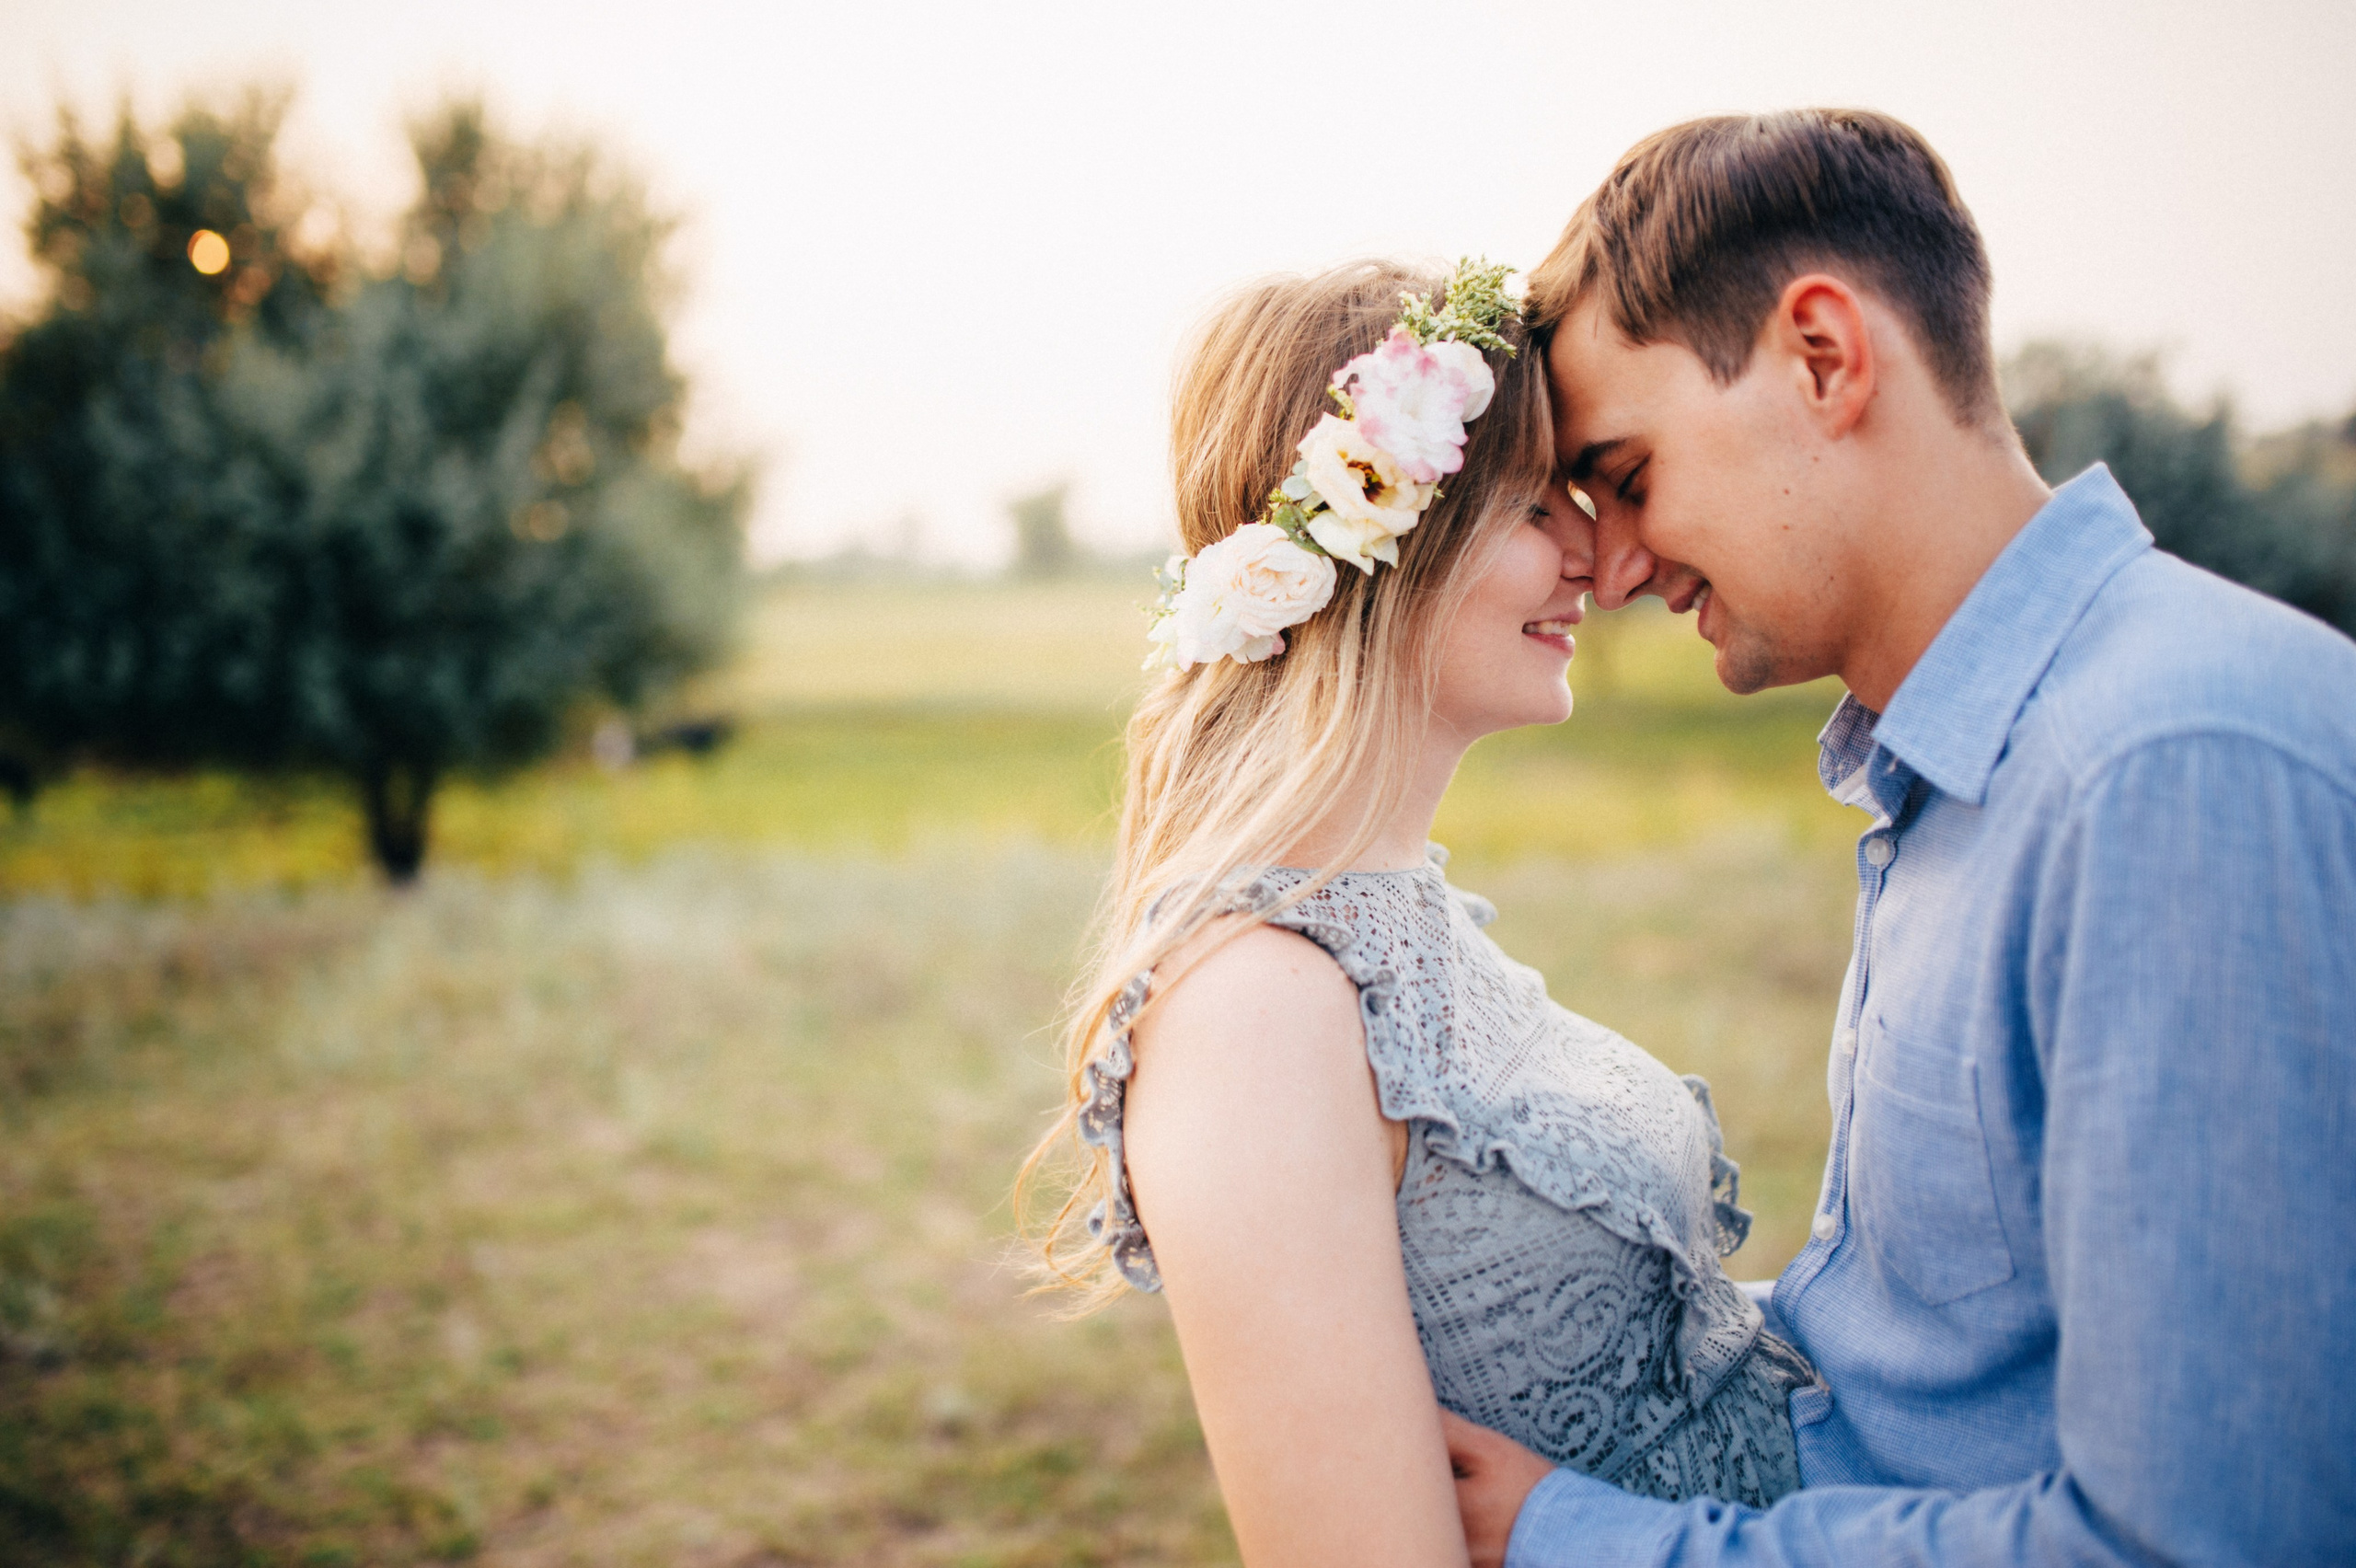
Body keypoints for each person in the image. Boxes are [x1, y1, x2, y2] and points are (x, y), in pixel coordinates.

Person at [1442, 109, 2356, 1567]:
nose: (1607, 568)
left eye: (1625, 474)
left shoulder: (2167, 770)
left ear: (1823, 356)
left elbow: (2198, 1542)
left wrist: (1582, 1541)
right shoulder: (1965, 761)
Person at [1023, 259, 1818, 1568]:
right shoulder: (1253, 1009)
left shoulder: (1409, 913)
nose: (1596, 556)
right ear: (1373, 528)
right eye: (1526, 502)